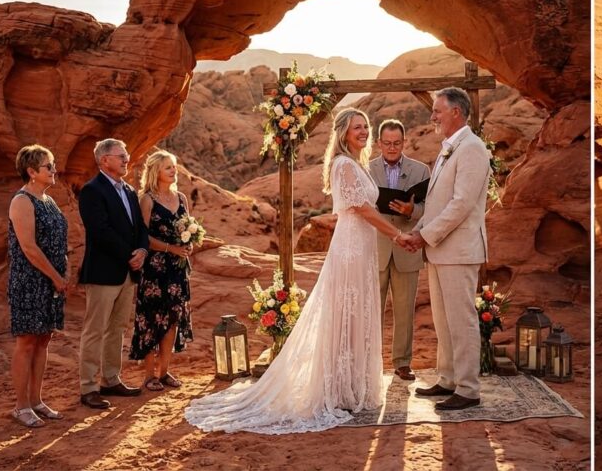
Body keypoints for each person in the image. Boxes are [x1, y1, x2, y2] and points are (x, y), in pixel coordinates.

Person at [185, 108, 410, 434]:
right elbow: (361, 208)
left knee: (356, 313)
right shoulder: (344, 164)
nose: (363, 131)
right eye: (356, 127)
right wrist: (397, 235)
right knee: (346, 313)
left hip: (362, 247)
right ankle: (339, 389)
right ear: (343, 133)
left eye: (365, 126)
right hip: (350, 248)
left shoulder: (356, 163)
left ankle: (352, 384)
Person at [403, 87, 491, 411]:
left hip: (460, 250)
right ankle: (448, 378)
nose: (433, 116)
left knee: (461, 319)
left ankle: (468, 388)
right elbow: (437, 203)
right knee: (443, 320)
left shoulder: (472, 148)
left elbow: (461, 204)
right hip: (440, 250)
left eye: (438, 111)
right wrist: (418, 232)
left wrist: (425, 236)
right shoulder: (448, 149)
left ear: (456, 112)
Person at [77, 138, 149, 410]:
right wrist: (130, 255)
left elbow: (139, 227)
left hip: (128, 273)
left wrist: (142, 249)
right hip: (103, 272)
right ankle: (88, 387)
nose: (126, 159)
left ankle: (110, 379)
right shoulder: (92, 190)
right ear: (104, 159)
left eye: (126, 154)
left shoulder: (129, 190)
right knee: (95, 330)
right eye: (121, 156)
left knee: (117, 329)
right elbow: (100, 230)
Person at [7, 145, 70, 428]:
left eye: (53, 164)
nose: (54, 170)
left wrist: (65, 269)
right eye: (49, 166)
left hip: (51, 281)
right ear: (32, 171)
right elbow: (29, 248)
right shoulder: (22, 201)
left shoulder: (49, 200)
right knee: (27, 341)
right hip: (29, 282)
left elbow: (59, 241)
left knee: (44, 339)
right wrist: (56, 277)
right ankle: (21, 407)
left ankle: (36, 401)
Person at [368, 119, 430, 382]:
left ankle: (403, 363)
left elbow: (431, 208)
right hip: (376, 249)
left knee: (404, 310)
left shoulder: (421, 170)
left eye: (396, 143)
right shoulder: (366, 169)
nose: (392, 148)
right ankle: (370, 362)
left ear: (404, 142)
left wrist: (412, 210)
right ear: (378, 143)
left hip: (408, 248)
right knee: (372, 310)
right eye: (387, 143)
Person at [130, 150, 194, 391]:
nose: (173, 171)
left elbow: (189, 228)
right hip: (154, 269)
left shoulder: (182, 198)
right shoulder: (147, 199)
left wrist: (188, 244)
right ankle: (149, 376)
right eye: (168, 167)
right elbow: (142, 237)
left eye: (174, 166)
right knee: (151, 320)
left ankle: (164, 372)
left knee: (173, 319)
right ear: (156, 171)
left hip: (177, 269)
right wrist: (171, 248)